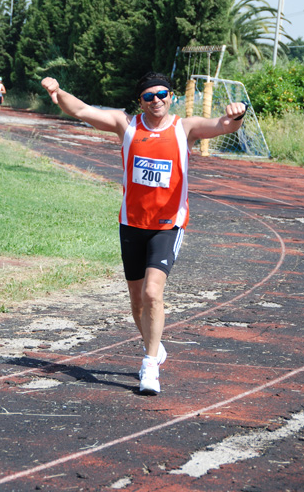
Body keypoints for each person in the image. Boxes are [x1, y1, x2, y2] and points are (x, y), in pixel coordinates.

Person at [41, 72, 247, 394]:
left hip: (167, 226)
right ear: (141, 101)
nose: (157, 100)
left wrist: (237, 115)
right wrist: (58, 92)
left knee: (153, 293)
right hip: (132, 224)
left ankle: (150, 365)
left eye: (162, 93)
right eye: (149, 96)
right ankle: (154, 344)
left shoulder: (185, 128)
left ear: (172, 96)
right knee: (136, 302)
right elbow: (81, 111)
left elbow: (224, 126)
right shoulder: (127, 125)